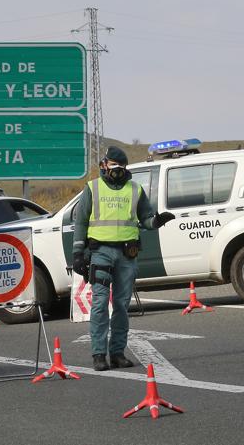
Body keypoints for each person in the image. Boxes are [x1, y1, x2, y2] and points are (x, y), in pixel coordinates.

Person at [72, 146, 176, 371]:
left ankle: (117, 352)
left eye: (120, 166)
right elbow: (80, 222)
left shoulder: (135, 190)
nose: (116, 169)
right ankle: (99, 354)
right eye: (112, 164)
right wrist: (78, 254)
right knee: (99, 304)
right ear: (104, 165)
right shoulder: (92, 188)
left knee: (121, 304)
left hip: (127, 255)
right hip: (100, 253)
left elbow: (146, 218)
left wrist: (156, 221)